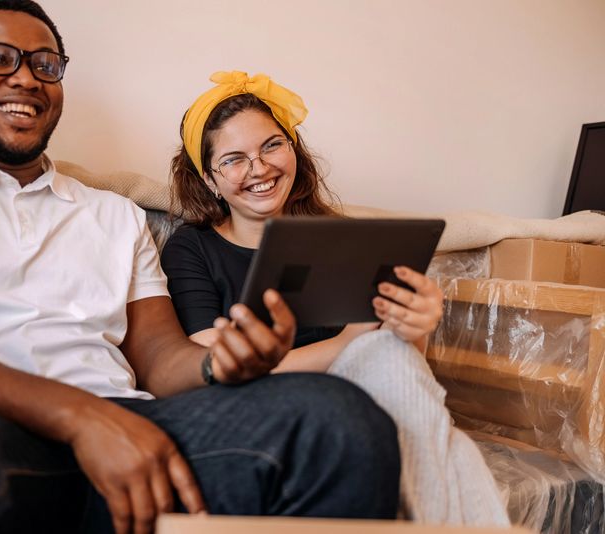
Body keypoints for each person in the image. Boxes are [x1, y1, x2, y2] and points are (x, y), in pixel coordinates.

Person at [0, 4, 402, 534]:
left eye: (45, 64)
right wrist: (81, 418)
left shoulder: (115, 216)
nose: (25, 77)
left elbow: (161, 361)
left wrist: (220, 362)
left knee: (336, 417)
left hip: (135, 431)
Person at [161, 71, 510, 526]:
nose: (260, 168)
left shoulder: (338, 237)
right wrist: (348, 342)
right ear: (210, 179)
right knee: (448, 442)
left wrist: (414, 327)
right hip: (260, 406)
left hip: (364, 394)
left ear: (293, 149)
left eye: (272, 145)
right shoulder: (192, 248)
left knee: (395, 363)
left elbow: (399, 367)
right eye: (234, 159)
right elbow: (213, 366)